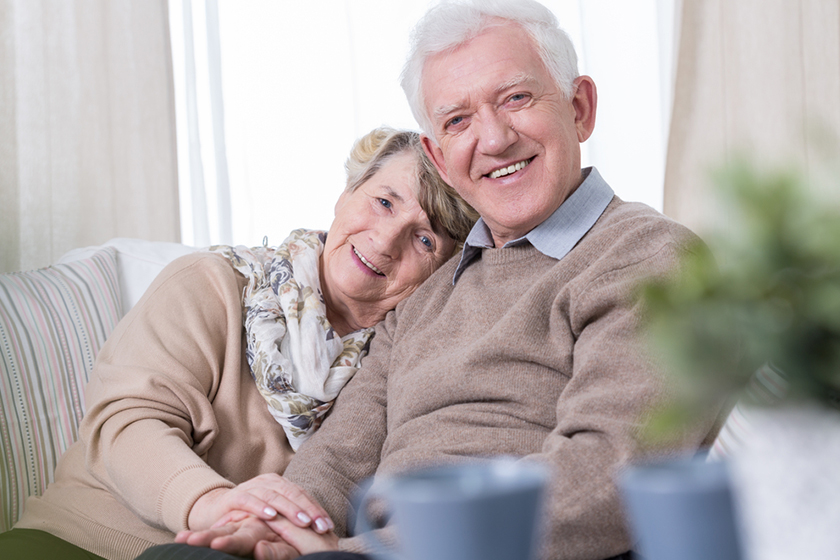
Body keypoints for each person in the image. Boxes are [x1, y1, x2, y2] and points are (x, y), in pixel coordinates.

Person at [143, 0, 722, 558]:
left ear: (579, 108)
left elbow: (611, 473)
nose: (494, 139)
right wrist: (269, 529)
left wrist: (361, 551)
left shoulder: (650, 257)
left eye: (516, 97)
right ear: (440, 158)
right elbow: (340, 456)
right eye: (458, 119)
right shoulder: (430, 290)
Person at [0, 127, 478, 560]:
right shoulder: (214, 285)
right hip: (75, 541)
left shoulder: (404, 365)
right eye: (384, 202)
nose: (385, 239)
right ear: (346, 192)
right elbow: (126, 424)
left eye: (424, 240)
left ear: (441, 272)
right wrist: (213, 503)